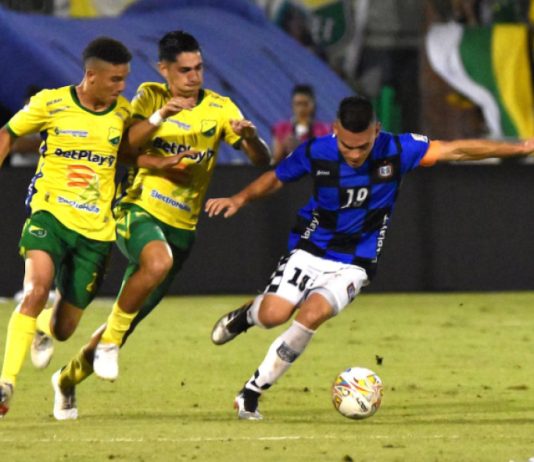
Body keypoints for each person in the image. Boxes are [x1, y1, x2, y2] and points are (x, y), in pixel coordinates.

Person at [205, 95, 534, 420]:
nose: (354, 155)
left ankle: (251, 392)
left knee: (312, 315)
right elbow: (277, 177)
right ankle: (248, 315)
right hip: (311, 248)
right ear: (335, 130)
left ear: (376, 130)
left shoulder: (398, 149)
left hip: (357, 260)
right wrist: (240, 198)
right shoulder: (317, 151)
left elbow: (456, 150)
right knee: (274, 315)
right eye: (347, 146)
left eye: (362, 147)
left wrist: (519, 148)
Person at [51, 30, 271, 420]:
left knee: (127, 319)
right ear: (163, 69)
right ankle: (107, 343)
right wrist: (162, 115)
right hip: (138, 210)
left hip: (181, 229)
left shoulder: (220, 108)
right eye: (184, 70)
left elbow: (261, 160)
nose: (194, 76)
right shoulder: (150, 97)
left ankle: (67, 379)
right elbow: (126, 147)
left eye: (198, 68)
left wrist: (252, 138)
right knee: (157, 262)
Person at [0, 37, 135, 418]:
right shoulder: (51, 103)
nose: (121, 86)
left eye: (124, 79)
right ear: (91, 75)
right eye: (115, 79)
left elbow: (135, 152)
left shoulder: (123, 113)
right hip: (50, 214)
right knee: (36, 289)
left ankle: (42, 325)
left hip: (95, 232)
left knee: (64, 328)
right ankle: (5, 383)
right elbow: (8, 132)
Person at [272, 84, 330, 164]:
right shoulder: (282, 128)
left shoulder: (323, 130)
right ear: (292, 105)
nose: (301, 109)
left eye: (305, 104)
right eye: (298, 104)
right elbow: (276, 158)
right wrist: (283, 145)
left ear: (313, 105)